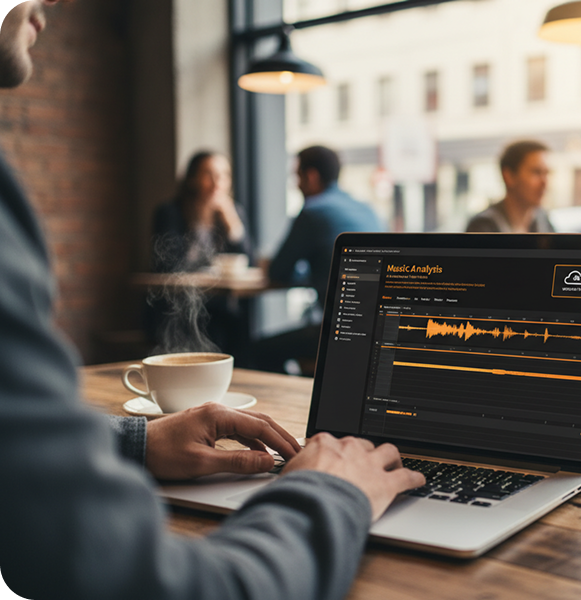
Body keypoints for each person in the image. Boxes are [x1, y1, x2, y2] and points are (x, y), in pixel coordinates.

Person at [0, 3, 423, 599]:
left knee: (231, 333)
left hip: (246, 321)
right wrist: (331, 490)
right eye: (212, 177)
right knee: (229, 335)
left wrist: (136, 440)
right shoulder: (170, 213)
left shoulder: (259, 214)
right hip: (227, 327)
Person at [253, 145, 384, 374]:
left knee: (257, 351)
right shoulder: (367, 210)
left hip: (339, 330)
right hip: (379, 329)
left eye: (297, 176)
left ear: (311, 176)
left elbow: (277, 272)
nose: (296, 184)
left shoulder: (313, 211)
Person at [146, 151, 254, 357]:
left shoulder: (232, 213)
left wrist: (233, 226)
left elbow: (248, 263)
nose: (217, 183)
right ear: (192, 179)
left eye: (224, 175)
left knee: (239, 327)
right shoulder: (170, 212)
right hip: (177, 306)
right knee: (215, 326)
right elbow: (167, 266)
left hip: (218, 306)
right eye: (209, 174)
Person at [466, 140, 555, 233]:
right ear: (508, 176)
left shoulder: (542, 220)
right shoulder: (483, 226)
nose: (545, 182)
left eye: (547, 173)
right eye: (536, 172)